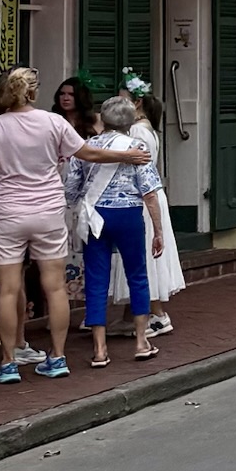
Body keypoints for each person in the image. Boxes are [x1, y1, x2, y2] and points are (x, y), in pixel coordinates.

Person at [0, 67, 145, 383]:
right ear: (33, 93)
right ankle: (58, 357)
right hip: (49, 210)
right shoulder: (53, 122)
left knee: (8, 289)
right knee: (54, 286)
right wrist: (127, 156)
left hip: (8, 212)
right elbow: (88, 152)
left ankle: (8, 362)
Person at [66, 90, 168, 368]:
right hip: (128, 215)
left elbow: (71, 190)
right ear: (130, 119)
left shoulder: (86, 147)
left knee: (97, 280)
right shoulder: (136, 148)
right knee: (137, 275)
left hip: (95, 216)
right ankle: (141, 341)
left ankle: (99, 349)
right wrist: (158, 230)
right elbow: (149, 193)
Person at [126, 85, 186, 336]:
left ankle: (157, 314)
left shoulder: (138, 131)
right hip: (151, 192)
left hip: (144, 195)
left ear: (137, 102)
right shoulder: (148, 128)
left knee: (146, 256)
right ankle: (141, 313)